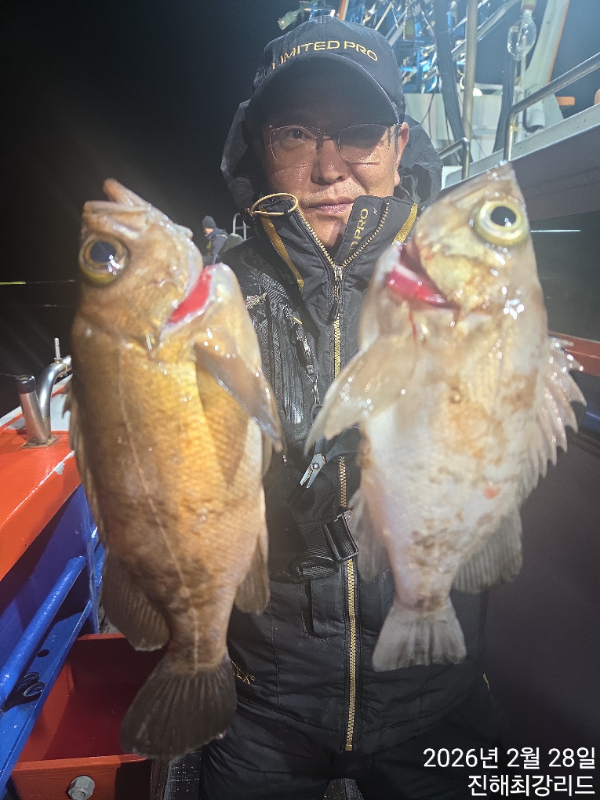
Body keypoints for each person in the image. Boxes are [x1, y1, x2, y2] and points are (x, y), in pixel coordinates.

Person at [205, 16, 504, 800]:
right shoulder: (214, 299)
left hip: (435, 692)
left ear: (399, 145)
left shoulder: (459, 280)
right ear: (260, 146)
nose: (330, 165)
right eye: (297, 133)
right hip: (264, 704)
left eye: (360, 133)